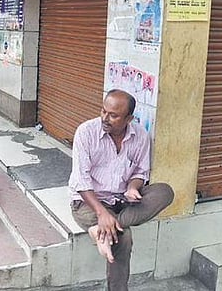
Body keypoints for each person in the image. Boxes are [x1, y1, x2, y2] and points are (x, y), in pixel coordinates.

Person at [69, 89, 174, 291]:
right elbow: (81, 182)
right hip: (89, 202)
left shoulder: (140, 136)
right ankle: (107, 231)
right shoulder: (86, 132)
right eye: (103, 111)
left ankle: (100, 232)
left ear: (129, 118)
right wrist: (101, 213)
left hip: (122, 200)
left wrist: (133, 188)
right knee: (123, 237)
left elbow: (141, 172)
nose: (105, 118)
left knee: (164, 192)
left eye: (113, 115)